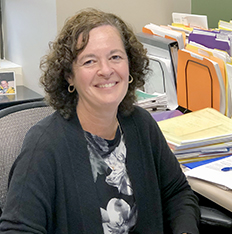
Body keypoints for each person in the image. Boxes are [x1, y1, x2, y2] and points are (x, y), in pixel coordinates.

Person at [0, 8, 200, 234]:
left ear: (129, 64)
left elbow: (178, 193)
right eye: (89, 61)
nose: (106, 70)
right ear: (69, 75)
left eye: (115, 57)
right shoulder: (44, 147)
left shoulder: (141, 125)